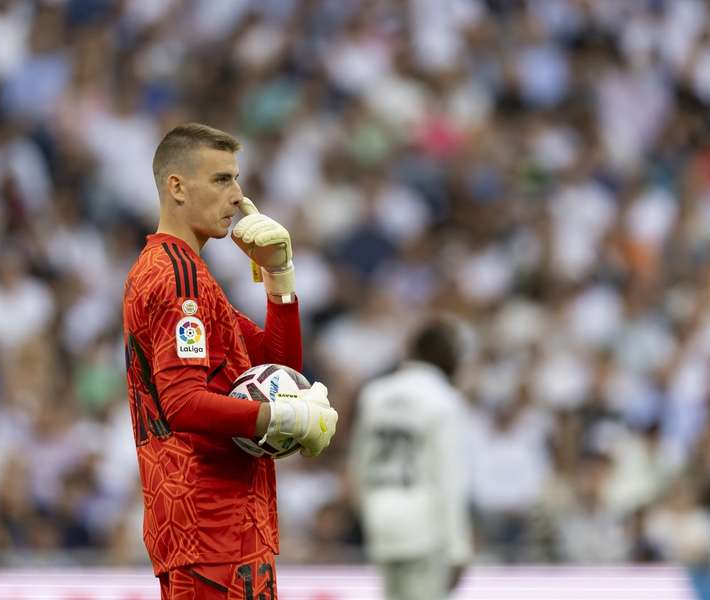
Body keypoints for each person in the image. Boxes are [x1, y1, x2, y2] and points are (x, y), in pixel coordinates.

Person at [122, 123, 338, 599]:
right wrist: (279, 415)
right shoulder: (176, 276)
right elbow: (183, 403)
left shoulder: (192, 274)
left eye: (237, 179)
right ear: (176, 186)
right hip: (210, 525)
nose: (238, 197)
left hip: (225, 528)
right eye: (221, 180)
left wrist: (278, 277)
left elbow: (280, 368)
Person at [349, 317, 473, 600]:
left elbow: (359, 464)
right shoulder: (445, 400)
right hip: (425, 526)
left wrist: (366, 511)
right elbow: (450, 478)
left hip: (380, 517)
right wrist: (458, 548)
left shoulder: (375, 394)